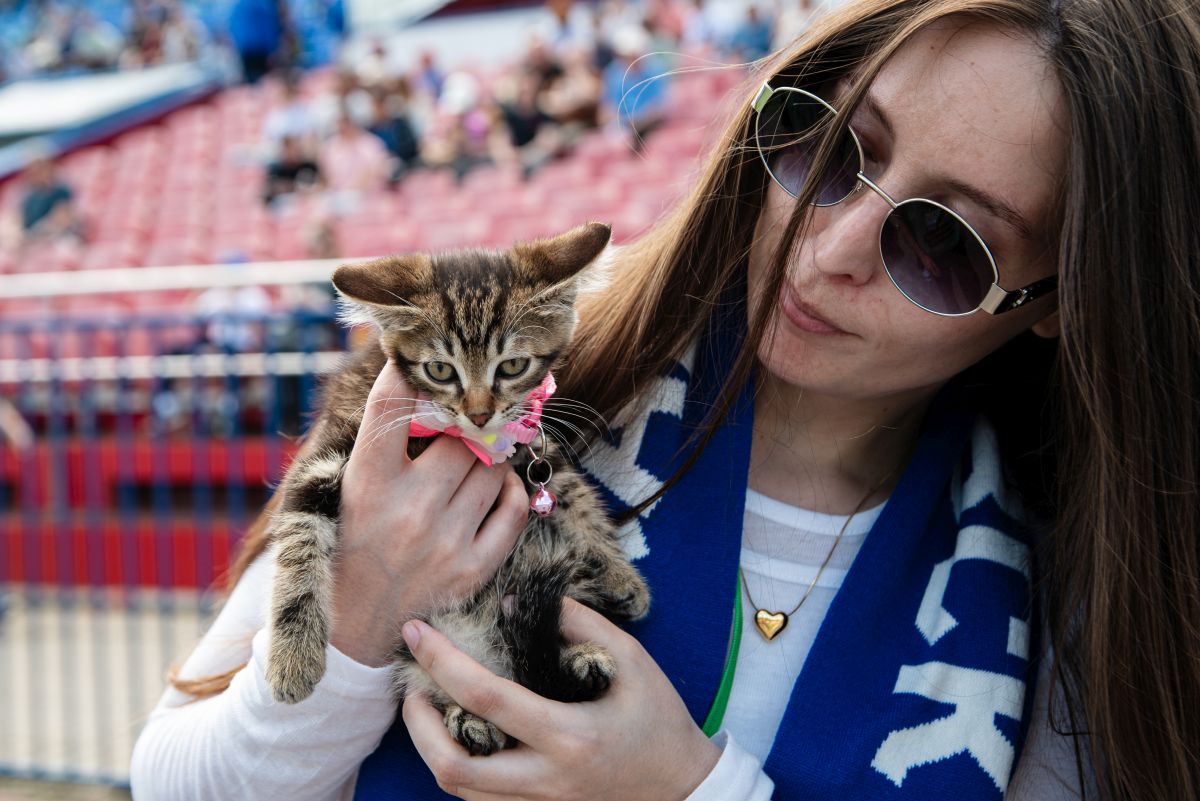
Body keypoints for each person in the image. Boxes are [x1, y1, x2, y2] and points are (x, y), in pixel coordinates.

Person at [130, 2, 1200, 801]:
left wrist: (689, 789)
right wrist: (356, 621)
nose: (826, 253)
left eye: (942, 245)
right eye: (829, 148)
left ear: (1060, 298)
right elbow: (171, 780)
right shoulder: (516, 373)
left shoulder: (1077, 594)